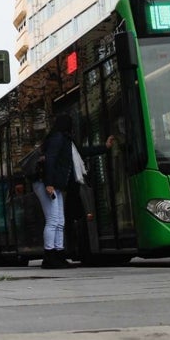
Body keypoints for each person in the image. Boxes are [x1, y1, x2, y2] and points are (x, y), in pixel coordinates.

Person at [33, 113, 113, 268]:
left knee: (60, 221)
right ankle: (49, 257)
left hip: (55, 185)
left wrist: (105, 147)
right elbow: (51, 160)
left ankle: (58, 254)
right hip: (47, 184)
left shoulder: (66, 140)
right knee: (52, 220)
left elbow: (81, 152)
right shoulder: (57, 138)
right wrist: (49, 183)